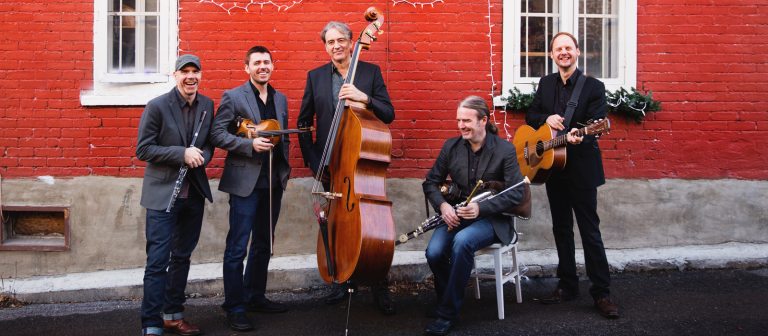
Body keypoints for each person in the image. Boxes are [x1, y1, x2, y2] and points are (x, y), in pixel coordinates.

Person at [296, 21, 396, 315]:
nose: (336, 46)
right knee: (337, 223)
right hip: (331, 165)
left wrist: (364, 98)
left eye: (341, 40)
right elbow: (304, 124)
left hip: (362, 165)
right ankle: (341, 279)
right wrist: (315, 162)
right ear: (325, 46)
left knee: (373, 226)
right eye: (330, 42)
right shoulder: (315, 77)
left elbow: (388, 113)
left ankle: (379, 283)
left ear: (353, 42)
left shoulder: (369, 73)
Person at [526, 32, 619, 319]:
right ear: (552, 55)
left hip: (581, 170)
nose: (563, 52)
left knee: (590, 232)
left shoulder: (593, 86)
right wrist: (545, 119)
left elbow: (597, 123)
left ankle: (601, 293)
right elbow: (531, 116)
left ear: (577, 52)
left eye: (568, 48)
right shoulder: (545, 84)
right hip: (554, 169)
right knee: (562, 229)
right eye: (558, 49)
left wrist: (582, 137)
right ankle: (567, 285)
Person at [422, 96, 525, 336]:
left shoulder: (505, 150)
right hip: (456, 215)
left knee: (462, 242)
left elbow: (516, 193)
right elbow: (430, 183)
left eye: (466, 120)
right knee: (434, 252)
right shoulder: (451, 147)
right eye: (458, 120)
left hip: (492, 219)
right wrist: (444, 208)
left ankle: (447, 313)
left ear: (483, 121)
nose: (461, 126)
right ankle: (451, 299)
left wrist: (481, 209)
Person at [210, 46, 291, 331]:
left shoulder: (280, 98)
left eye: (267, 62)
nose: (262, 67)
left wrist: (285, 169)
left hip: (273, 182)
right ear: (247, 68)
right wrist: (248, 144)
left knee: (264, 244)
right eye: (256, 63)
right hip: (245, 182)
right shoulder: (233, 97)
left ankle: (255, 295)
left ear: (273, 66)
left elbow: (284, 136)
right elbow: (217, 133)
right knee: (237, 247)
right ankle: (235, 306)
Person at [136, 54, 214, 336]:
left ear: (200, 75)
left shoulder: (207, 105)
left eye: (195, 71)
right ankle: (152, 323)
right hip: (163, 194)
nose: (190, 76)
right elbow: (143, 149)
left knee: (182, 257)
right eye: (185, 72)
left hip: (192, 195)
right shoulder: (157, 106)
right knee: (158, 261)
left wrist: (202, 155)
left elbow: (208, 144)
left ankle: (172, 314)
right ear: (175, 75)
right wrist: (182, 153)